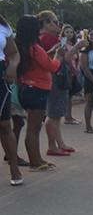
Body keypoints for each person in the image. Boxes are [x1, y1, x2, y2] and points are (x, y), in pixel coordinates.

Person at [14, 15, 82, 171]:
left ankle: (36, 158)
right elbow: (51, 66)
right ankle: (35, 161)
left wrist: (51, 52)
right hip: (37, 89)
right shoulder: (34, 47)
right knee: (34, 129)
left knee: (33, 127)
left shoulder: (23, 46)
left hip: (28, 87)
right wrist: (58, 56)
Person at [37, 11, 76, 156]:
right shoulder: (48, 38)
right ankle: (52, 145)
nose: (58, 25)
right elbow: (64, 58)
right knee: (53, 114)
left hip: (52, 77)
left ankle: (58, 143)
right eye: (54, 22)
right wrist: (77, 48)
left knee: (55, 114)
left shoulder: (44, 38)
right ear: (46, 23)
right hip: (55, 77)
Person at [1, 13, 22, 185]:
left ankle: (14, 168)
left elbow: (14, 53)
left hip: (2, 75)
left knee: (5, 124)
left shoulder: (4, 27)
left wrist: (12, 67)